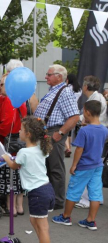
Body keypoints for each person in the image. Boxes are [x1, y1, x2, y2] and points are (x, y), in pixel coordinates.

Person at [2, 116, 55, 243]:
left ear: (28, 134)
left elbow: (14, 165)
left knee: (42, 227)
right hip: (46, 189)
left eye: (21, 129)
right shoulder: (41, 148)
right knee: (34, 221)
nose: (19, 131)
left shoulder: (24, 152)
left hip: (37, 193)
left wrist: (6, 158)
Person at [52, 101, 108, 231]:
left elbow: (79, 150)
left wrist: (74, 165)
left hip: (83, 165)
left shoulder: (84, 130)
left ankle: (66, 216)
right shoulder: (104, 129)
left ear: (87, 112)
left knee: (73, 190)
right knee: (95, 193)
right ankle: (90, 220)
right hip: (97, 165)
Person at [34, 65, 79, 210]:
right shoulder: (55, 90)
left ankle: (58, 201)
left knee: (55, 167)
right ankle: (51, 198)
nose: (46, 76)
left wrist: (60, 133)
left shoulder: (65, 92)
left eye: (49, 74)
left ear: (59, 76)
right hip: (48, 131)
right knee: (48, 167)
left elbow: (74, 117)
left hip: (53, 132)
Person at [0, 74, 27, 216]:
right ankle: (19, 206)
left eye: (3, 84)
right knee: (18, 174)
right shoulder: (17, 99)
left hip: (8, 142)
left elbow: (8, 122)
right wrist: (0, 86)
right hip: (17, 141)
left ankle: (12, 208)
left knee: (9, 174)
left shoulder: (9, 100)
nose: (0, 87)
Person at [75, 76, 107, 208]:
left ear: (86, 86)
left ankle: (87, 198)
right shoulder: (98, 97)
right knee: (96, 165)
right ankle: (95, 197)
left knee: (89, 164)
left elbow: (89, 116)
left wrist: (76, 119)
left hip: (94, 132)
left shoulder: (95, 99)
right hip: (100, 131)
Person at [64, 74, 82, 157]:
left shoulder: (67, 89)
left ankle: (67, 148)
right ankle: (69, 147)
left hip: (67, 110)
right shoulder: (79, 89)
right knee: (70, 131)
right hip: (75, 110)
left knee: (65, 129)